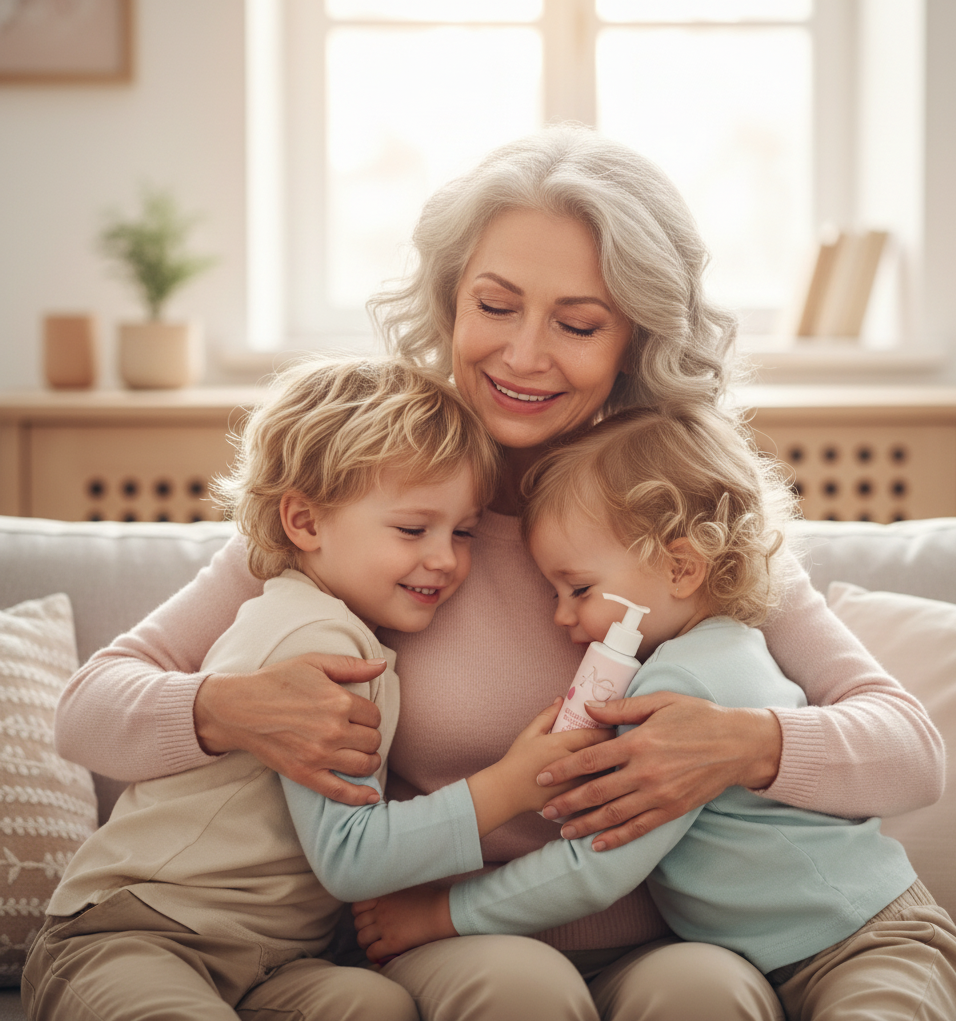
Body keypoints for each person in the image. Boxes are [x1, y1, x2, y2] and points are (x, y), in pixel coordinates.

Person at [52, 125, 946, 1021]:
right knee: (520, 991)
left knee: (703, 992)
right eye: (496, 305)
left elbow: (909, 749)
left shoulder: (673, 527)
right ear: (448, 304)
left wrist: (750, 745)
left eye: (578, 322)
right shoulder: (370, 507)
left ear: (636, 338)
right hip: (451, 946)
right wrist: (226, 709)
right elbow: (93, 706)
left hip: (663, 944)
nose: (523, 354)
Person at [350, 406, 956, 1021]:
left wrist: (441, 913)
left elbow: (600, 861)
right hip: (788, 956)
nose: (562, 617)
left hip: (871, 937)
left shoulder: (679, 684)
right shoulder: (702, 646)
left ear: (681, 567)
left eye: (579, 591)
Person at [24, 358, 598, 1021]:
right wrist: (509, 787)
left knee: (372, 1004)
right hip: (142, 929)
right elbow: (351, 857)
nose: (445, 558)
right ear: (303, 523)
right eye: (414, 529)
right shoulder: (315, 637)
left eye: (462, 532)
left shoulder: (356, 626)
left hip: (275, 958)